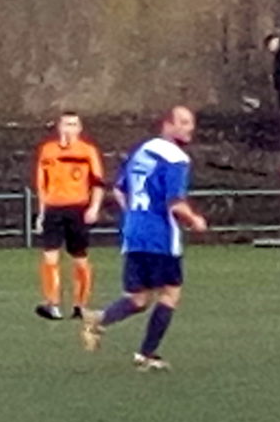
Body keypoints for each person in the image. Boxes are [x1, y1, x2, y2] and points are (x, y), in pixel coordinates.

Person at [81, 106, 209, 370]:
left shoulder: (142, 151)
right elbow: (174, 202)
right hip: (160, 235)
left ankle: (100, 320)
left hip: (134, 232)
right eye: (184, 122)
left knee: (139, 298)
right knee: (170, 293)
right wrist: (195, 219)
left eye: (191, 123)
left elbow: (120, 190)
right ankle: (146, 355)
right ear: (167, 124)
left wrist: (134, 216)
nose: (190, 128)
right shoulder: (176, 159)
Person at [32, 111, 106, 321]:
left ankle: (80, 305)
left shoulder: (87, 151)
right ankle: (52, 304)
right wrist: (42, 212)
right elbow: (42, 184)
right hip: (54, 208)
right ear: (59, 127)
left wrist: (94, 207)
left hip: (78, 208)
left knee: (80, 258)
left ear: (80, 129)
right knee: (50, 256)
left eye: (73, 125)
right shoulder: (48, 150)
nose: (69, 129)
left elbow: (98, 182)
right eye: (66, 124)